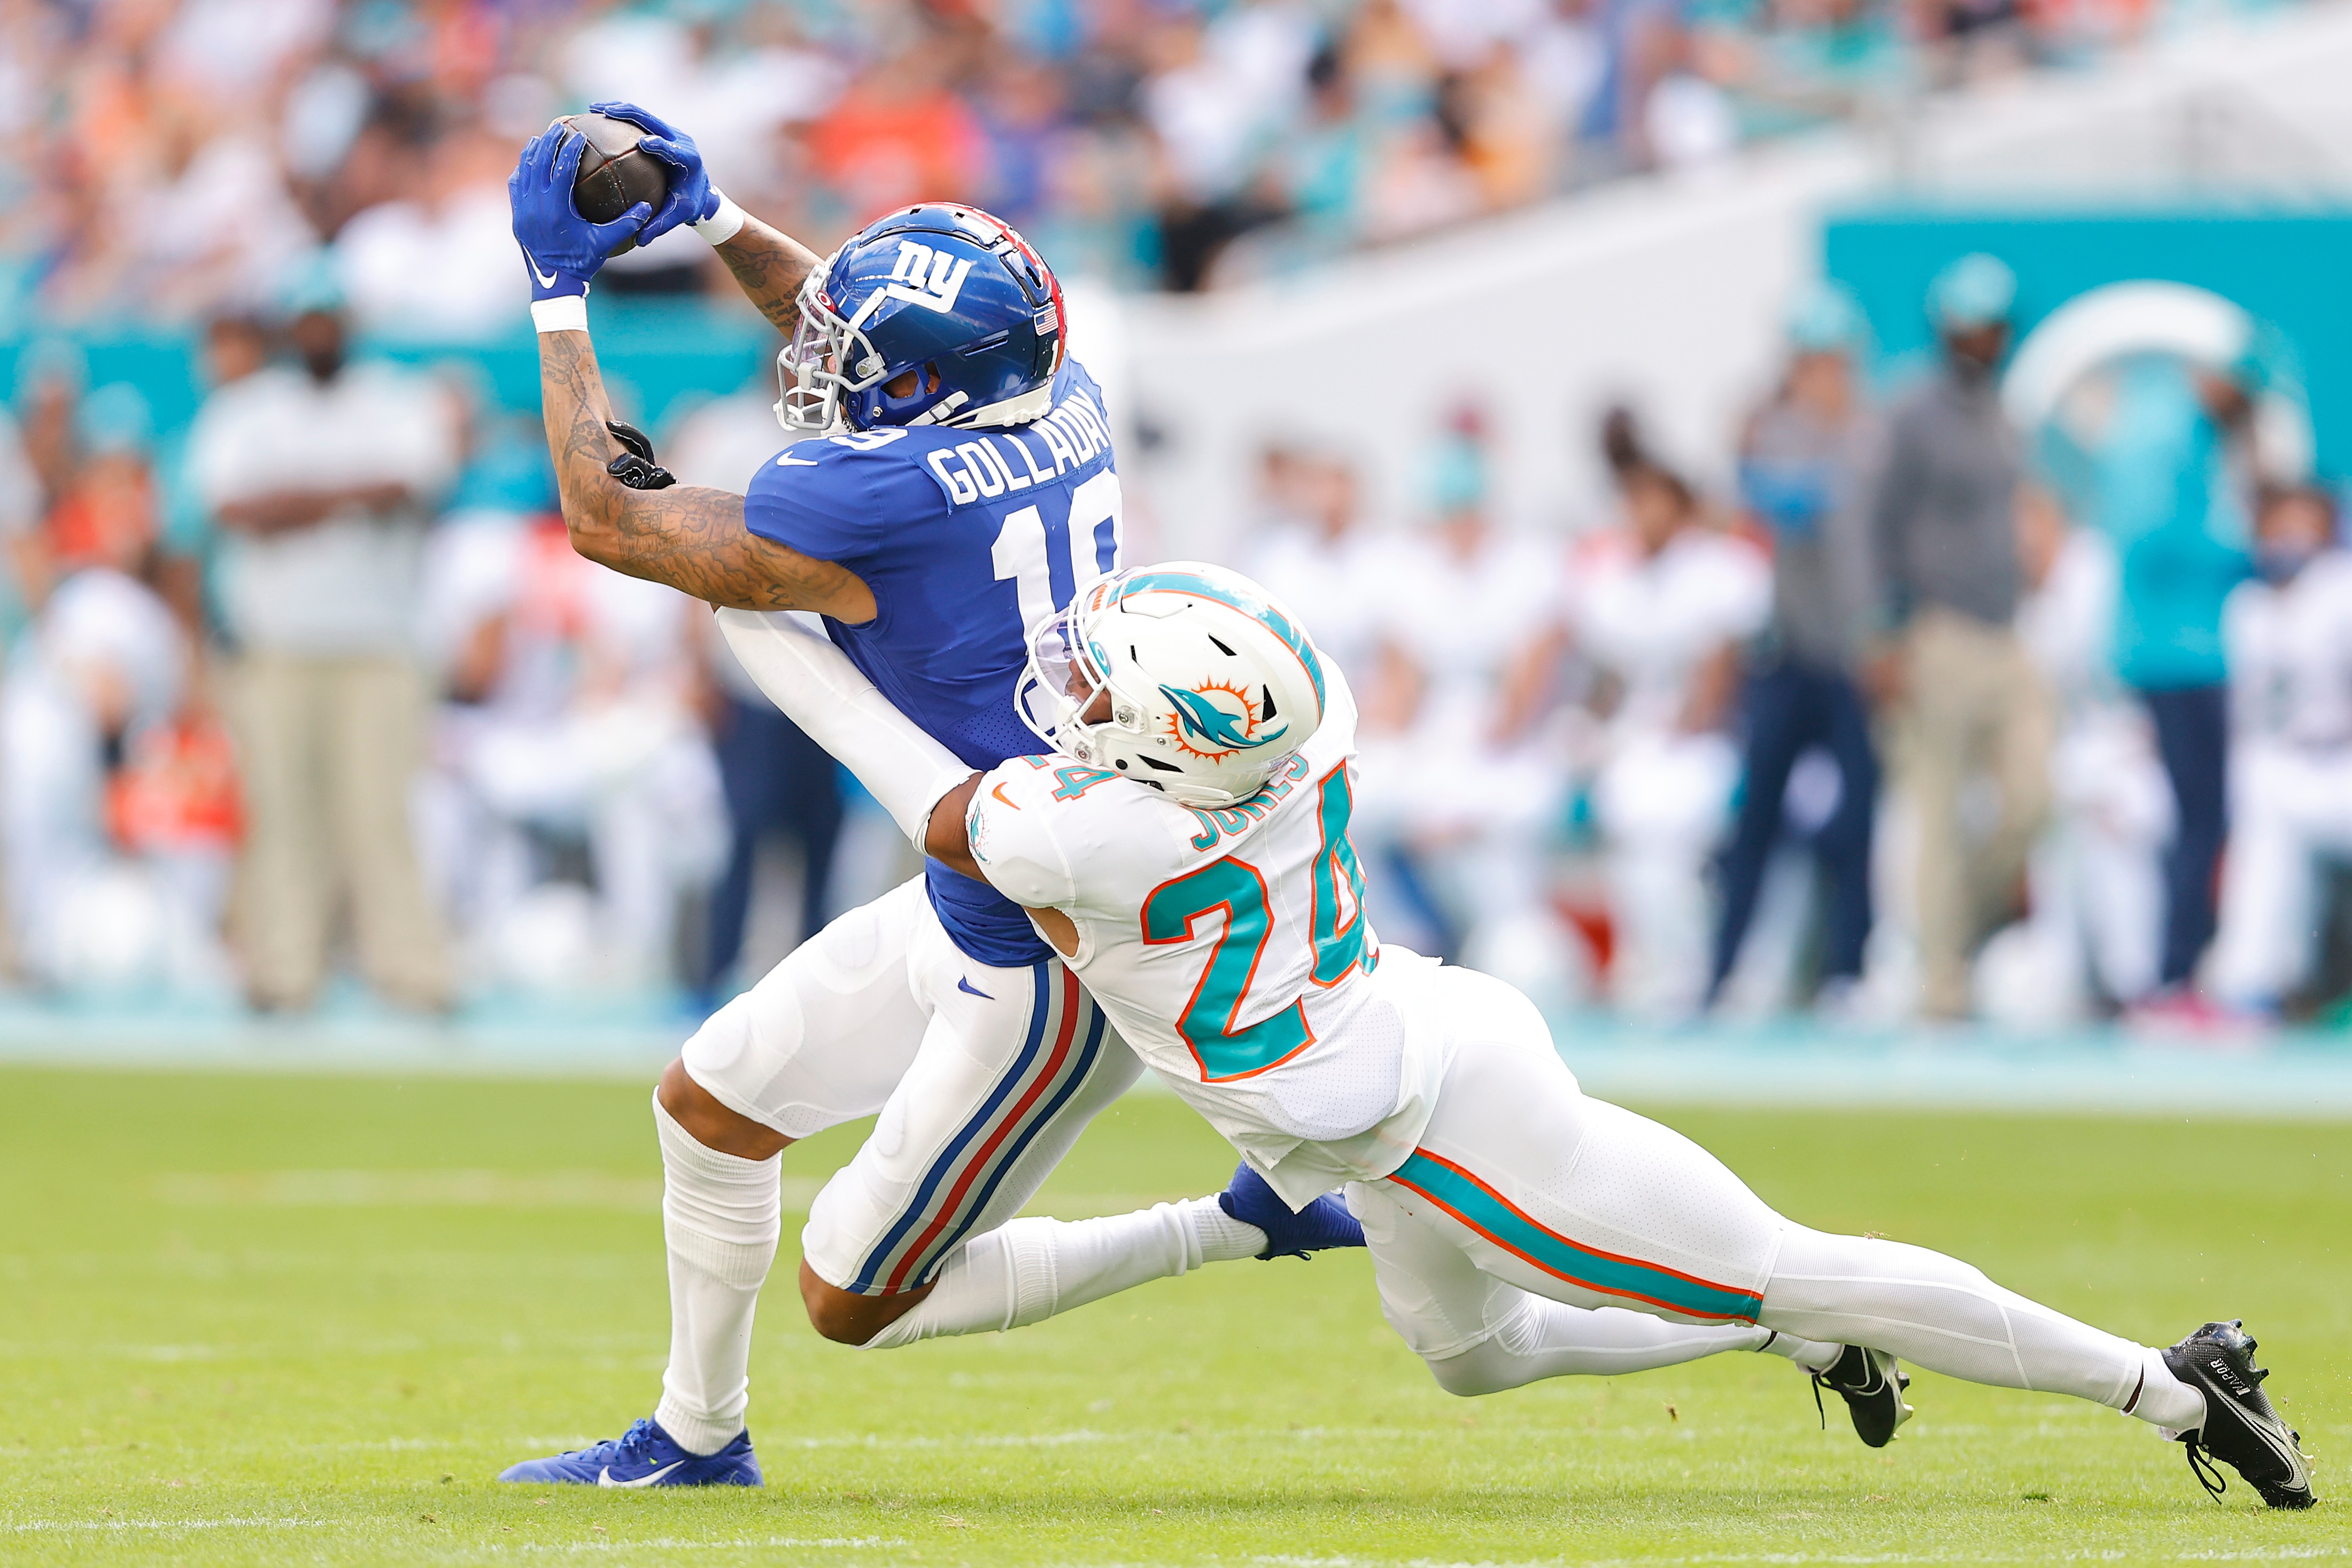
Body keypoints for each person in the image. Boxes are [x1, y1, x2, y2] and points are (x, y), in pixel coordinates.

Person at [719, 556, 2314, 1512]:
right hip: (1400, 1045)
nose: (1067, 695)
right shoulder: (1298, 719)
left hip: (1436, 1124)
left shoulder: (1097, 839)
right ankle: (1795, 1342)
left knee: (1782, 1254)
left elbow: (889, 764)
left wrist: (738, 610)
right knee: (1471, 1364)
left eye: (1101, 688)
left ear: (1159, 744)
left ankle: (2168, 1385)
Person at [496, 106, 1366, 1487]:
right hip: (993, 868)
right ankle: (695, 1438)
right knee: (709, 1104)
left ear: (926, 384)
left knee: (853, 1298)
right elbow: (862, 334)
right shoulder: (1061, 391)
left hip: (1046, 951)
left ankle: (1239, 1219)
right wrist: (715, 219)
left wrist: (556, 294)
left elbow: (609, 517)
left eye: (861, 358)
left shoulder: (874, 500)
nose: (825, 360)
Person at [184, 269, 457, 1013]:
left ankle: (412, 972)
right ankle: (283, 971)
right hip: (276, 644)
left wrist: (296, 499)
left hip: (378, 642)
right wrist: (346, 496)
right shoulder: (246, 410)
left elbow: (413, 482)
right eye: (305, 320)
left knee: (381, 814)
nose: (318, 333)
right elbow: (233, 508)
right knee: (281, 814)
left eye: (327, 318)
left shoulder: (394, 400)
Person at [1864, 253, 2051, 1020]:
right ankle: (1942, 982)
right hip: (1937, 632)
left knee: (2034, 799)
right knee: (1936, 813)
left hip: (2005, 633)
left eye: (1994, 328)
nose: (1986, 341)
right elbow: (1871, 522)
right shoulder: (1911, 412)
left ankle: (1960, 930)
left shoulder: (2000, 416)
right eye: (1974, 328)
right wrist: (1879, 631)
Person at [1709, 288, 1882, 1014]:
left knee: (1859, 819)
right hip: (1789, 652)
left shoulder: (1873, 435)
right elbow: (1772, 493)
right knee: (1755, 820)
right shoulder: (1782, 431)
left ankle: (1849, 970)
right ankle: (1720, 971)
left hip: (1853, 655)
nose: (1822, 377)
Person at [1568, 415, 1769, 1017]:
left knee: (1665, 823)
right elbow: (1607, 676)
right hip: (1638, 736)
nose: (1639, 513)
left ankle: (1692, 968)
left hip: (1701, 740)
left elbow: (1717, 678)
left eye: (1652, 501)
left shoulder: (1718, 570)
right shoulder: (1611, 576)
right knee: (1629, 824)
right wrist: (1594, 728)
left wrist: (1668, 731)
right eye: (1631, 501)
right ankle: (1651, 963)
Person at [2092, 348, 2262, 1016]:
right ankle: (2171, 977)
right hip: (2172, 654)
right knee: (2197, 817)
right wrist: (2242, 555)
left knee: (2200, 817)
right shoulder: (2160, 429)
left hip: (2179, 650)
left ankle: (2174, 974)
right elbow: (2149, 537)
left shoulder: (2172, 428)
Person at [2204, 484, 2352, 1018]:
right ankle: (2250, 991)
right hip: (2284, 767)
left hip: (2341, 762)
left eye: (2303, 524)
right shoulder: (2243, 607)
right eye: (2279, 525)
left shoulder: (2340, 588)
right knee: (2264, 808)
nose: (2288, 538)